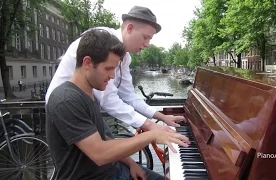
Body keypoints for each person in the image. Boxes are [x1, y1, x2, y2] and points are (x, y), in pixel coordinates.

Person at [46, 29, 190, 180]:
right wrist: (151, 134)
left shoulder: (88, 93)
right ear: (87, 63)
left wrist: (130, 163)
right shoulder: (66, 100)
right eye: (108, 68)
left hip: (113, 170)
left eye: (114, 69)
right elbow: (100, 154)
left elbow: (103, 138)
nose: (112, 75)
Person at [45, 6, 184, 135]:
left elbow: (128, 95)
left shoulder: (124, 56)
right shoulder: (103, 42)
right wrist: (150, 125)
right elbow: (108, 99)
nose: (147, 44)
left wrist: (161, 117)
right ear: (129, 28)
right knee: (102, 154)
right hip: (65, 109)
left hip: (86, 108)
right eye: (145, 37)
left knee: (113, 150)